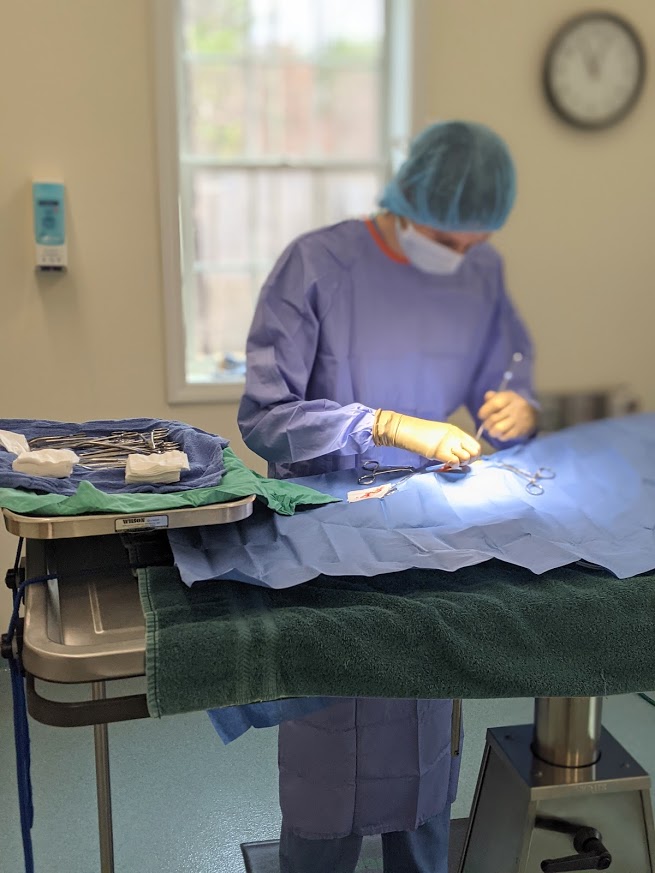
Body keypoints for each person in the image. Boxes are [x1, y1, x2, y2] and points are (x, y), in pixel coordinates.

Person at [238, 120, 539, 873]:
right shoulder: (316, 266)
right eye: (445, 237)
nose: (457, 254)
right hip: (326, 544)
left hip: (426, 534)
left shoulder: (478, 269)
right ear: (410, 200)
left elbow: (502, 370)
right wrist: (383, 425)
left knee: (423, 746)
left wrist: (514, 404)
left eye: (472, 242)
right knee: (327, 756)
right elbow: (265, 419)